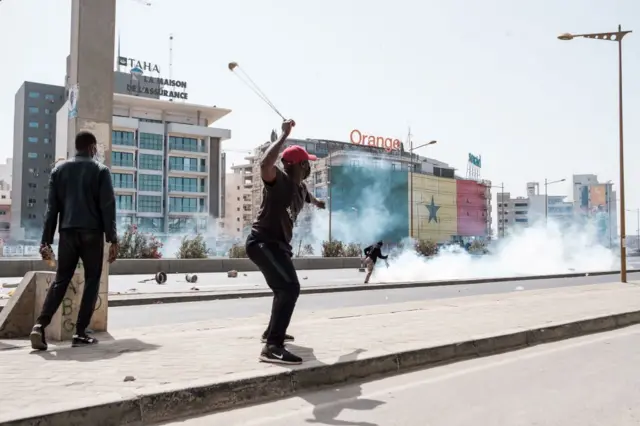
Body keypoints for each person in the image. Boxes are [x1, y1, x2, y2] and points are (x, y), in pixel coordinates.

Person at [246, 119, 326, 365]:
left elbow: (308, 196)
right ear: (301, 165)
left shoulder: (301, 189)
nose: (309, 168)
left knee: (283, 289)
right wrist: (283, 136)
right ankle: (272, 347)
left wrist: (318, 203)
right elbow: (264, 164)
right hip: (262, 243)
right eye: (307, 164)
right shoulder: (277, 182)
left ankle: (271, 332)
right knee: (290, 288)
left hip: (278, 247)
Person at [29, 131, 119, 351]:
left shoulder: (59, 170)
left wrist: (46, 241)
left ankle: (40, 325)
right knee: (91, 280)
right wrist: (113, 239)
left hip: (67, 233)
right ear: (91, 148)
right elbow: (108, 207)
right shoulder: (101, 171)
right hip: (92, 233)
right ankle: (80, 332)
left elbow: (52, 209)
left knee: (61, 280)